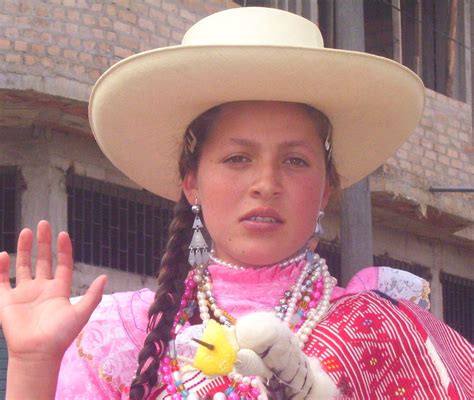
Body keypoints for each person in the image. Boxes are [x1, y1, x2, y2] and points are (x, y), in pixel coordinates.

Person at [0, 6, 471, 400]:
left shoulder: (385, 332)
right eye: (237, 158)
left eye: (295, 160)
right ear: (192, 183)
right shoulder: (120, 334)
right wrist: (33, 362)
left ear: (327, 188)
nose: (266, 183)